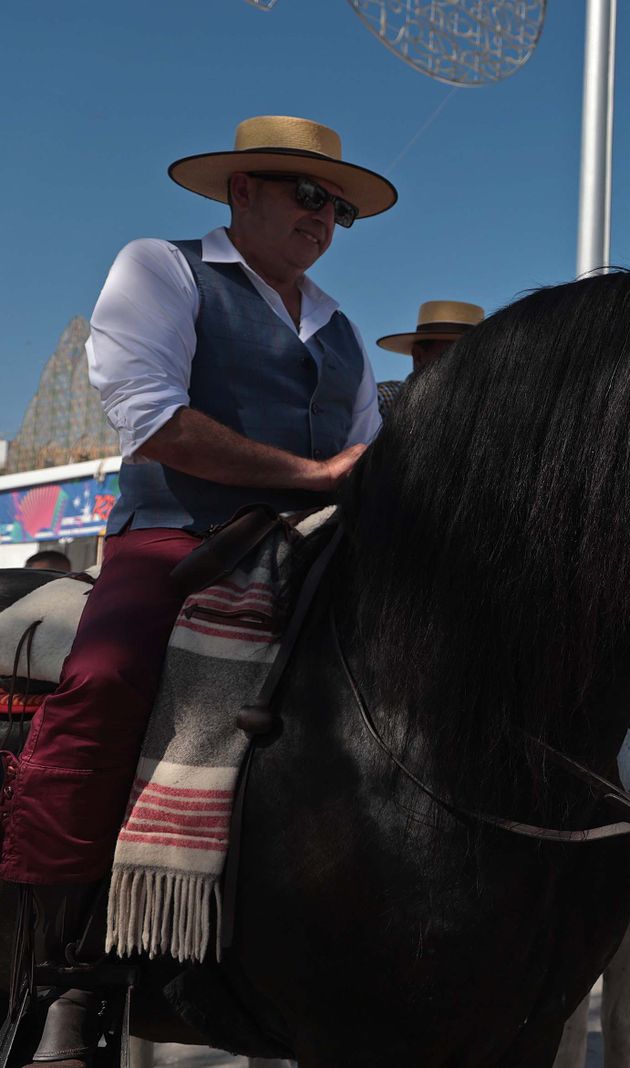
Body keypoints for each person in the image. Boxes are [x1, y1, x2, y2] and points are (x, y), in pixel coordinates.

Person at [0, 115, 393, 1066]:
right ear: (240, 193)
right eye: (308, 195)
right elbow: (154, 421)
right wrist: (314, 478)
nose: (325, 217)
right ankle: (57, 943)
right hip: (177, 537)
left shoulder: (339, 326)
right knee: (106, 674)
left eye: (338, 205)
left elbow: (370, 453)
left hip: (314, 545)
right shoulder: (161, 268)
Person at [374, 299, 485, 418]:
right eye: (453, 356)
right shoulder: (387, 402)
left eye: (475, 358)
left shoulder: (483, 412)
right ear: (418, 356)